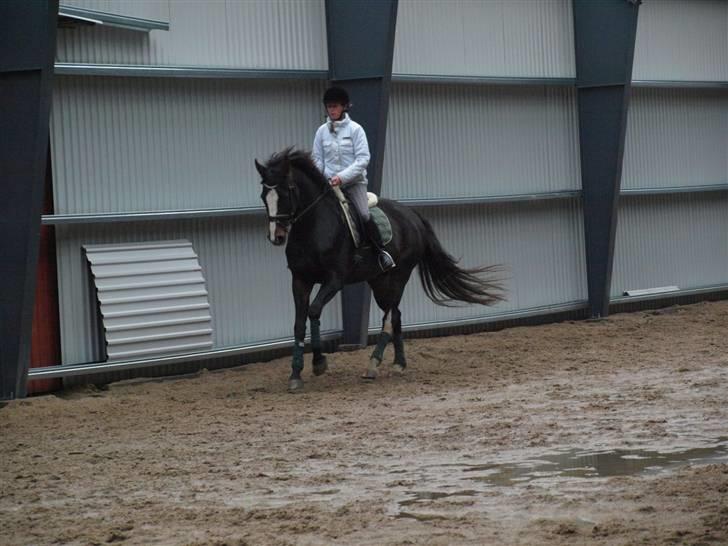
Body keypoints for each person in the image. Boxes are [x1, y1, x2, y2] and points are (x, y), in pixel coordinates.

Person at [312, 86, 395, 272]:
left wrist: (341, 178)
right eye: (329, 106)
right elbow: (317, 159)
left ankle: (379, 252)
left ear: (344, 107)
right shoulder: (321, 132)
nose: (331, 110)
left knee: (364, 215)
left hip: (354, 183)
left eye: (335, 106)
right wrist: (324, 178)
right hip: (328, 184)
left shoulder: (355, 130)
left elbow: (363, 159)